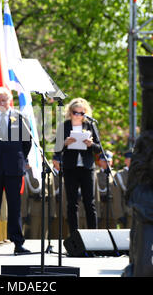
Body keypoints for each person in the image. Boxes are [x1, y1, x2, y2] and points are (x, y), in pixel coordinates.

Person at [0, 87, 32, 255]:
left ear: (10, 101)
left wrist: (21, 160)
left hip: (14, 168)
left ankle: (18, 243)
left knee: (15, 207)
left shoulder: (20, 118)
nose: (2, 103)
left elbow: (27, 142)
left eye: (4, 100)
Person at [53, 97, 100, 235]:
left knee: (89, 202)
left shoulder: (90, 126)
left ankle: (94, 236)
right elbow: (56, 149)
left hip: (87, 167)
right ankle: (74, 236)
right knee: (72, 203)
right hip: (70, 168)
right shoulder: (64, 126)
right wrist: (65, 143)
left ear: (86, 113)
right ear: (70, 112)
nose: (78, 115)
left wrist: (91, 145)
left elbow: (98, 148)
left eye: (81, 112)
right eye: (75, 112)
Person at [95, 151, 123, 229]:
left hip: (113, 210)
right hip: (101, 209)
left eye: (108, 161)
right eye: (104, 161)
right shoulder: (95, 175)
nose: (107, 163)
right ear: (100, 162)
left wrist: (120, 213)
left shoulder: (116, 175)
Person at [114, 150, 133, 228]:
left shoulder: (141, 174)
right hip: (127, 213)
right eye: (131, 160)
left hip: (141, 214)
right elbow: (117, 197)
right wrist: (120, 215)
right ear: (125, 161)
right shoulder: (120, 175)